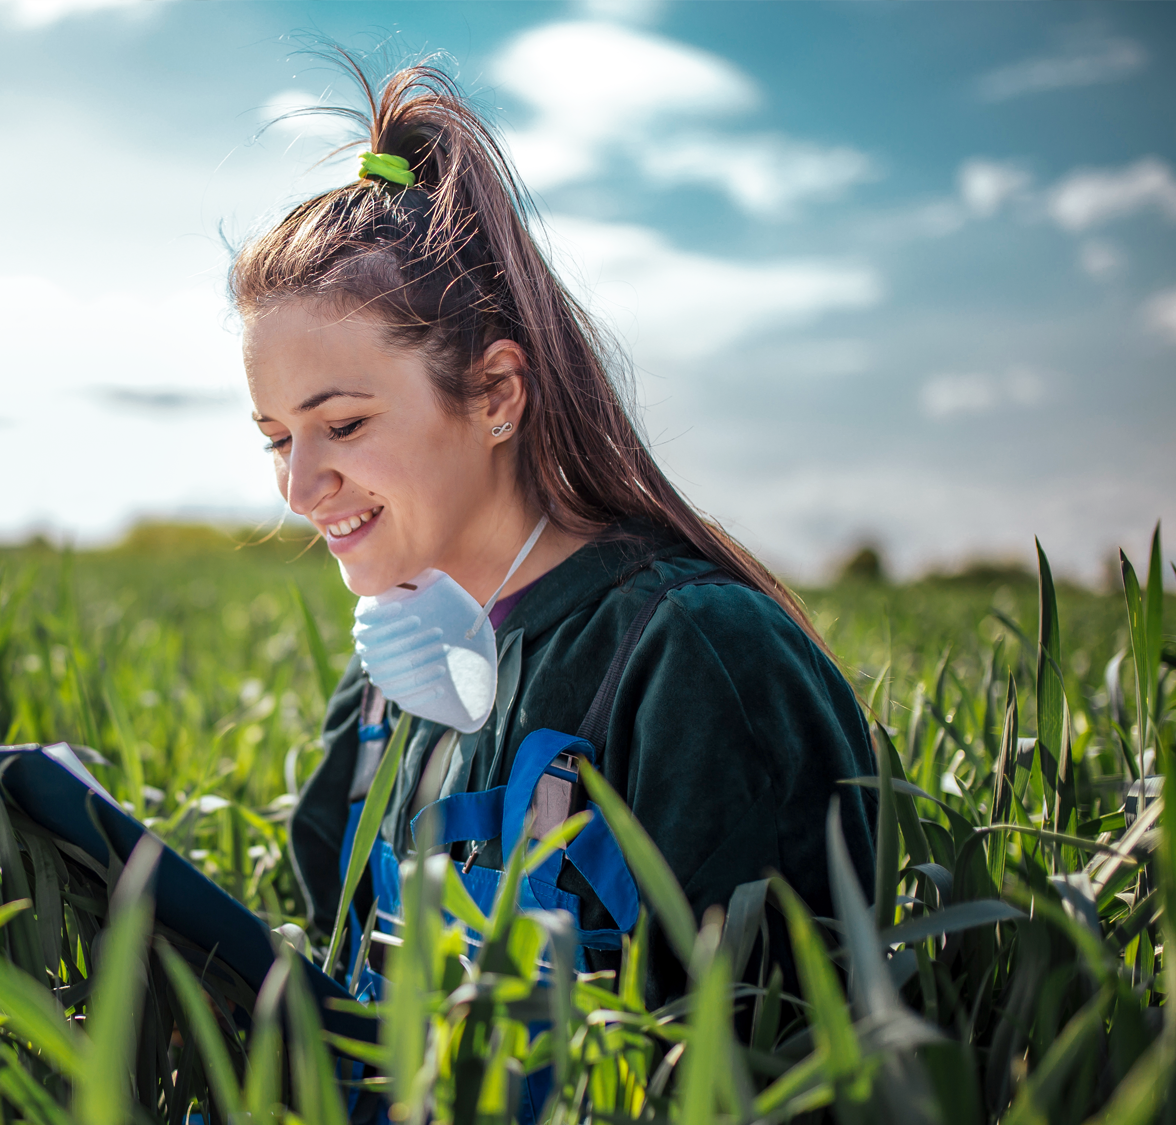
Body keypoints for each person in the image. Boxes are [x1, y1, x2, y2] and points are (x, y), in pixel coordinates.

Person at [236, 58, 877, 1014]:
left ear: (495, 394)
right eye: (279, 439)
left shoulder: (700, 663)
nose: (300, 486)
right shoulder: (380, 689)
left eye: (347, 424)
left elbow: (780, 1058)